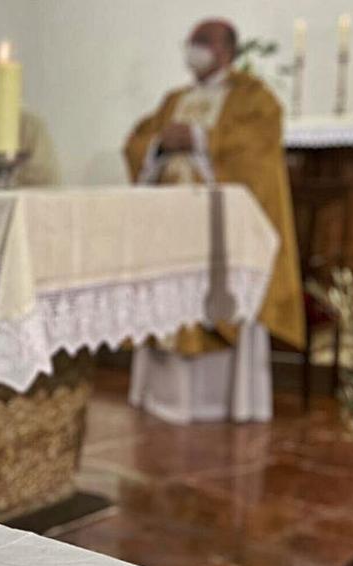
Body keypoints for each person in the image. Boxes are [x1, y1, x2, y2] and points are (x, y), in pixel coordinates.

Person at [123, 19, 304, 424]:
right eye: (191, 41)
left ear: (227, 50)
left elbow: (259, 150)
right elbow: (137, 141)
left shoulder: (256, 99)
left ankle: (219, 400)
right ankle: (161, 394)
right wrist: (157, 145)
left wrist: (200, 140)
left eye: (202, 42)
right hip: (170, 229)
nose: (194, 49)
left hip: (221, 231)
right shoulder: (174, 99)